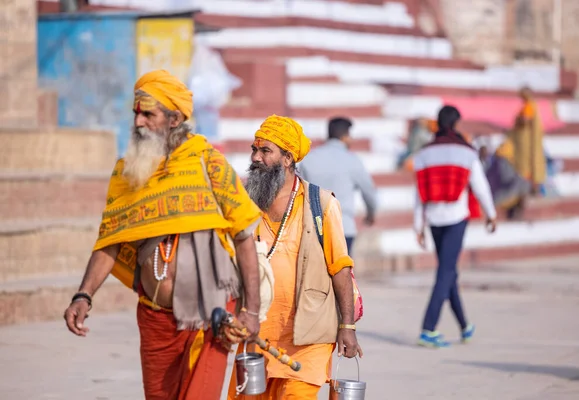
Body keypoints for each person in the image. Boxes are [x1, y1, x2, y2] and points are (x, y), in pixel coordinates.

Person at [62, 69, 263, 400]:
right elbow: (109, 240)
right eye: (136, 113)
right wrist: (83, 295)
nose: (139, 122)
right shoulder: (127, 171)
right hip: (154, 317)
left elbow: (244, 237)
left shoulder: (208, 163)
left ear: (174, 119)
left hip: (210, 316)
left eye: (148, 114)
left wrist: (251, 311)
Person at [227, 115, 362, 399]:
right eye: (254, 149)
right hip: (257, 336)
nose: (256, 157)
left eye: (265, 151)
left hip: (308, 338)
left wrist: (347, 326)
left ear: (287, 159)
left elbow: (340, 268)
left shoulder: (321, 203)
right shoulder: (244, 204)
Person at [413, 105, 497, 348]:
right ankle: (428, 329)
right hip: (456, 218)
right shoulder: (466, 152)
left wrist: (418, 225)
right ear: (456, 124)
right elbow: (480, 186)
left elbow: (418, 194)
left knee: (448, 272)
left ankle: (464, 326)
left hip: (433, 219)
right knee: (446, 272)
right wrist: (490, 214)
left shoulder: (424, 154)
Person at [298, 117, 377, 255]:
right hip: (343, 227)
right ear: (345, 136)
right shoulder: (352, 159)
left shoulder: (309, 159)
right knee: (342, 274)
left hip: (313, 228)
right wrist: (371, 214)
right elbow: (368, 191)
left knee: (315, 274)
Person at [509, 87, 547, 195]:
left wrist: (518, 119)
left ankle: (530, 189)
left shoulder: (529, 105)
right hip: (527, 141)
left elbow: (525, 120)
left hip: (527, 142)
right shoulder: (530, 105)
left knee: (526, 165)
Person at [485, 135, 531, 220]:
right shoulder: (504, 163)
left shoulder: (494, 161)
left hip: (493, 195)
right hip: (499, 197)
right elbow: (510, 185)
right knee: (523, 183)